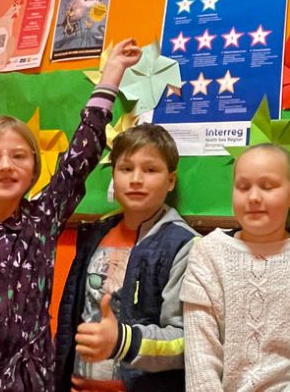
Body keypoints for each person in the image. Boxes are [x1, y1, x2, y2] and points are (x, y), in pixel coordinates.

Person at [0, 38, 141, 391]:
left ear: (33, 169)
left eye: (19, 156)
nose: (5, 166)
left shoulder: (40, 222)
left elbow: (80, 158)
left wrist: (111, 75)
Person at [180, 143, 290, 391]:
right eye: (243, 187)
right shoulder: (208, 252)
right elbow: (200, 356)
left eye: (268, 186)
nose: (253, 197)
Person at [54, 123, 197, 392]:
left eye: (151, 169)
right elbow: (71, 320)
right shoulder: (95, 233)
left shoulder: (183, 245)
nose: (136, 179)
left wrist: (123, 340)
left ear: (170, 180)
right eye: (126, 168)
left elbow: (188, 342)